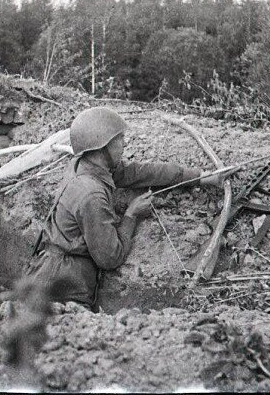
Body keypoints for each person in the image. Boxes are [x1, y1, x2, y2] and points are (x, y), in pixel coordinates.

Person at [25, 107, 235, 310]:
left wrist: (201, 176)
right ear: (102, 148)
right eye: (119, 141)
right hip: (63, 283)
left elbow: (141, 173)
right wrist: (131, 215)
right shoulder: (91, 194)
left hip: (47, 271)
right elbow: (110, 257)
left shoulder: (85, 165)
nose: (124, 145)